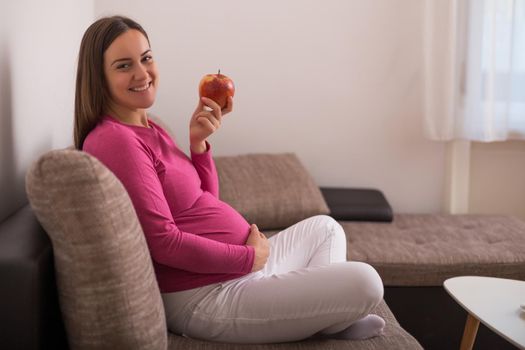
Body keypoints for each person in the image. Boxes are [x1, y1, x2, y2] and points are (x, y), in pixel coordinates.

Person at [74, 15, 385, 344]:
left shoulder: (152, 128)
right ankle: (329, 318)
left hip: (235, 273)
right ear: (100, 78)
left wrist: (198, 145)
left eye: (146, 58)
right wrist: (248, 258)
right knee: (366, 282)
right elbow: (162, 242)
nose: (142, 73)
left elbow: (204, 200)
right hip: (203, 296)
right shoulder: (115, 140)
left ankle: (325, 319)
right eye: (124, 66)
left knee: (325, 228)